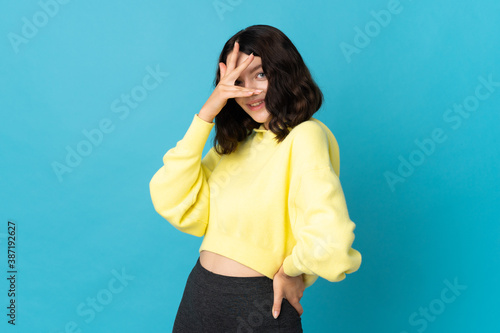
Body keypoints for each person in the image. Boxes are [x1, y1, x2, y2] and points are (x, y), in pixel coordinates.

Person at [149, 24, 362, 332]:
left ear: (286, 72)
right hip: (199, 297)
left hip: (257, 306)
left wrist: (293, 271)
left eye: (261, 74)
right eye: (238, 80)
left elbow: (330, 239)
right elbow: (172, 199)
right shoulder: (238, 143)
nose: (250, 91)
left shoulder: (305, 137)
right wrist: (207, 113)